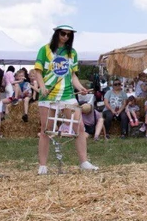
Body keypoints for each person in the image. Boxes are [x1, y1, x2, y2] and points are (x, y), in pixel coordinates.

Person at [31, 25, 98, 174]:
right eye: (63, 34)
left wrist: (80, 87)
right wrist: (42, 87)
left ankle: (84, 162)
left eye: (69, 35)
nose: (66, 37)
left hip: (68, 95)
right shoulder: (45, 50)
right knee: (46, 130)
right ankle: (42, 165)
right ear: (56, 33)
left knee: (79, 127)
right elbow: (38, 71)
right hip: (48, 95)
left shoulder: (72, 53)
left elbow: (73, 75)